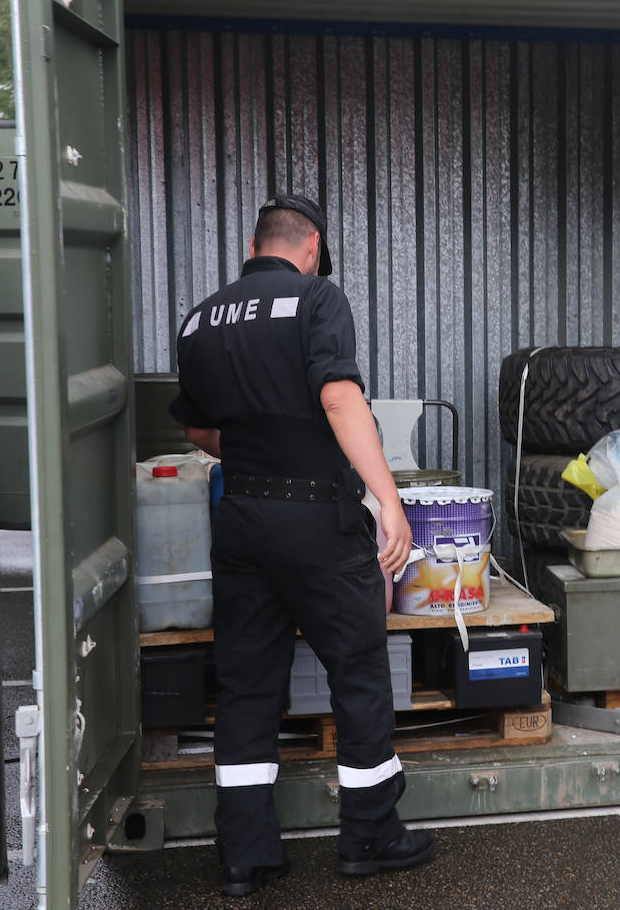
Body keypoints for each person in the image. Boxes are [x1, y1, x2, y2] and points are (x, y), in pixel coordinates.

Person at [170, 194, 434, 897]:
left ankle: (245, 854)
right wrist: (391, 502)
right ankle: (369, 838)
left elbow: (197, 432)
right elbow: (341, 398)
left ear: (254, 245)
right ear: (311, 244)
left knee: (249, 682)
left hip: (243, 518)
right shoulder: (317, 298)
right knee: (357, 669)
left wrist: (259, 446)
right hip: (316, 517)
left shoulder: (201, 318)